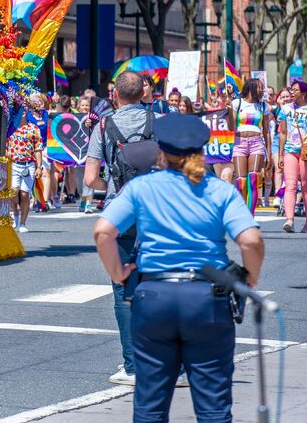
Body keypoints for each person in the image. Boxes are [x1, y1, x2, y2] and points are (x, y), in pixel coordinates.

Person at [94, 114, 264, 422]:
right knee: (213, 405)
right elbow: (251, 241)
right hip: (206, 298)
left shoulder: (142, 187)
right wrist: (250, 278)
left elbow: (104, 231)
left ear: (161, 150)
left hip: (154, 296)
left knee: (150, 404)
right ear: (201, 150)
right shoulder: (219, 189)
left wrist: (118, 272)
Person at [84, 70, 158, 386]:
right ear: (143, 93)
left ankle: (132, 366)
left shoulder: (103, 126)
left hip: (121, 211)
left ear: (115, 95)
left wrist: (111, 185)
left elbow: (89, 179)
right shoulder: (158, 122)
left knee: (124, 289)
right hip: (157, 211)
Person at [278, 80, 307, 233]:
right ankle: (289, 220)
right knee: (289, 185)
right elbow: (282, 133)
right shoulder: (285, 109)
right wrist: (281, 155)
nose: (291, 92)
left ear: (303, 93)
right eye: (291, 89)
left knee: (306, 186)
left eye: (295, 90)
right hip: (290, 150)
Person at [230, 76, 271, 213]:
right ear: (251, 87)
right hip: (239, 144)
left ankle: (250, 216)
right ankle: (241, 213)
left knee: (253, 180)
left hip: (256, 144)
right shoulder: (237, 103)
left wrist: (269, 154)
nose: (262, 90)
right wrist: (230, 113)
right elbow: (231, 127)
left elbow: (266, 131)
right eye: (260, 87)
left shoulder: (263, 106)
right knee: (241, 183)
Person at [8, 110, 43, 234]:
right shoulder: (10, 126)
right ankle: (15, 213)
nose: (21, 112)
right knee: (13, 191)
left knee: (24, 194)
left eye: (23, 110)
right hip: (13, 164)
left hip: (28, 165)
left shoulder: (34, 129)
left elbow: (38, 149)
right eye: (19, 110)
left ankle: (23, 223)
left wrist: (39, 167)